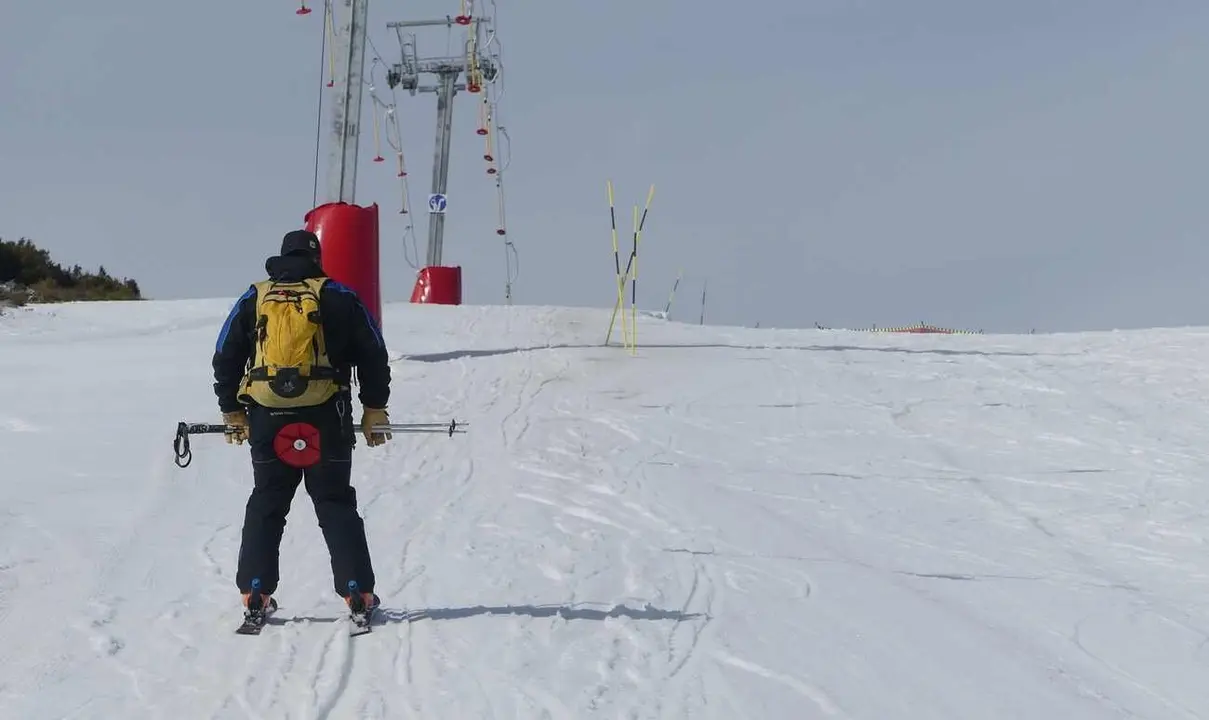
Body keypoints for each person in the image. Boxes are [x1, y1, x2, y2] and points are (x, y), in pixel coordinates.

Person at [211, 229, 392, 621]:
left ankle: (254, 593)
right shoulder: (339, 295)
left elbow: (226, 353)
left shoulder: (256, 296)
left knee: (267, 500)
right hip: (328, 415)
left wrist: (232, 410)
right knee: (334, 501)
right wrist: (374, 407)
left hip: (266, 415)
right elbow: (373, 352)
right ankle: (356, 592)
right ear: (317, 257)